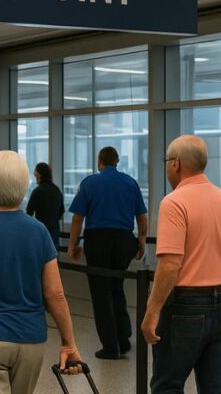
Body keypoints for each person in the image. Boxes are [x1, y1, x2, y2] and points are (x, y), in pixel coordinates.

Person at [0, 151, 82, 394]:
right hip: (30, 339)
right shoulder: (39, 232)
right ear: (24, 187)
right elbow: (55, 294)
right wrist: (68, 343)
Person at [141, 136, 221, 393]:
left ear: (176, 164)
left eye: (167, 161)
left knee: (167, 386)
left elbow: (171, 264)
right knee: (216, 388)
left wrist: (152, 311)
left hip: (184, 307)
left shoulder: (174, 202)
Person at [67, 146, 148, 360]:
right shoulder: (131, 183)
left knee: (101, 293)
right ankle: (124, 339)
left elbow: (77, 219)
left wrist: (73, 245)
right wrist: (141, 241)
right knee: (116, 288)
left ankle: (111, 347)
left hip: (98, 241)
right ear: (117, 161)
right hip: (123, 241)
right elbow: (141, 217)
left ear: (99, 161)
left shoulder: (90, 183)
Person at [25, 162, 65, 251]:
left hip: (40, 231)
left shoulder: (37, 191)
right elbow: (61, 211)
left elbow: (29, 213)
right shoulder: (57, 190)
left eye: (35, 172)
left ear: (39, 174)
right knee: (53, 258)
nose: (34, 174)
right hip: (54, 231)